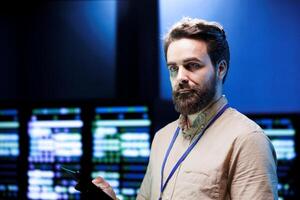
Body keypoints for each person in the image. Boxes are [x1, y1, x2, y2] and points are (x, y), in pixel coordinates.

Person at [92, 17, 278, 200]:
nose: (180, 77)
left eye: (192, 65)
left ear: (220, 69)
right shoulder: (162, 138)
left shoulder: (247, 140)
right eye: (173, 68)